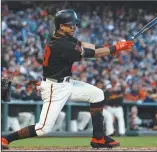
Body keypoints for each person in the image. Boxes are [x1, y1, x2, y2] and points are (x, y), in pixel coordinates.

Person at [1, 9, 134, 149]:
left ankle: (99, 138)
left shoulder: (57, 35)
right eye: (70, 25)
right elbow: (93, 53)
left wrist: (110, 48)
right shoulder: (63, 45)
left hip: (66, 83)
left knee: (97, 94)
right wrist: (115, 48)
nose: (74, 27)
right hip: (55, 88)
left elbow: (82, 45)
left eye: (75, 24)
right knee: (42, 129)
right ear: (61, 26)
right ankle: (5, 138)